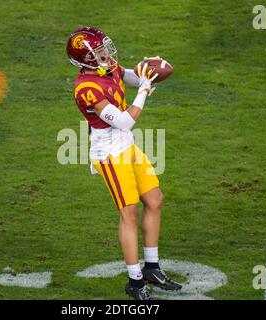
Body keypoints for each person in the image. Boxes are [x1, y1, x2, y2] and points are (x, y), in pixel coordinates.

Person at [66, 26, 182, 300]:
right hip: (109, 152)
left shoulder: (107, 67)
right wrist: (144, 89)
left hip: (126, 144)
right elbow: (124, 120)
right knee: (128, 213)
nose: (106, 53)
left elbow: (128, 76)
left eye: (104, 47)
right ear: (85, 58)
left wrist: (147, 71)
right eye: (98, 51)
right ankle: (136, 282)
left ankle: (152, 267)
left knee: (154, 200)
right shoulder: (86, 89)